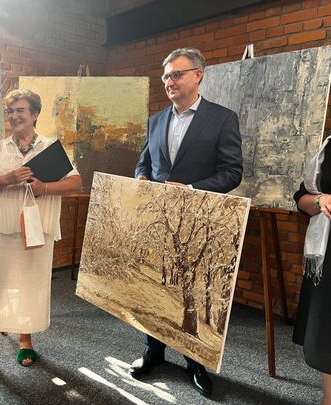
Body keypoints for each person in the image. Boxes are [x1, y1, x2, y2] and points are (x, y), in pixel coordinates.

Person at [132, 47, 243, 397]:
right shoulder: (155, 120)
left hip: (198, 222)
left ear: (198, 75)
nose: (169, 81)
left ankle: (195, 361)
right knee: (155, 286)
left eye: (176, 74)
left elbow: (232, 172)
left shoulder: (222, 118)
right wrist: (141, 178)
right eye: (166, 76)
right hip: (158, 221)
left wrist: (191, 190)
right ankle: (153, 351)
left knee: (192, 291)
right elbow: (144, 163)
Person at [0, 89, 82, 377]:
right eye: (10, 111)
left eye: (20, 110)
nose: (14, 116)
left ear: (35, 114)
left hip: (37, 230)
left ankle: (25, 341)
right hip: (2, 228)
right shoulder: (1, 148)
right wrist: (8, 178)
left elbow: (76, 183)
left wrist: (45, 188)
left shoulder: (50, 147)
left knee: (31, 286)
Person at [293, 137, 331, 405]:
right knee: (327, 336)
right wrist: (321, 200)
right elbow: (301, 198)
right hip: (327, 257)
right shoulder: (329, 147)